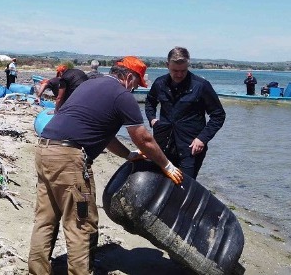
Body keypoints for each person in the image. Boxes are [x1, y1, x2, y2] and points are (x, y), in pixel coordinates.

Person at [29, 56, 183, 275]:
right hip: (69, 159)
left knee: (45, 220)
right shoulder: (121, 95)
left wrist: (128, 155)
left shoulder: (90, 85)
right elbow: (144, 138)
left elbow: (106, 136)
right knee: (81, 225)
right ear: (129, 77)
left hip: (45, 149)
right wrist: (167, 166)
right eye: (137, 84)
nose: (135, 89)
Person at [145, 46, 226, 179]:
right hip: (163, 143)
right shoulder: (160, 83)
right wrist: (152, 119)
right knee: (160, 181)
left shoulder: (201, 85)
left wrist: (202, 138)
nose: (179, 74)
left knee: (184, 186)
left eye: (183, 70)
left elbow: (218, 115)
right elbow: (150, 102)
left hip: (191, 148)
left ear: (188, 65)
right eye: (175, 70)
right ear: (167, 65)